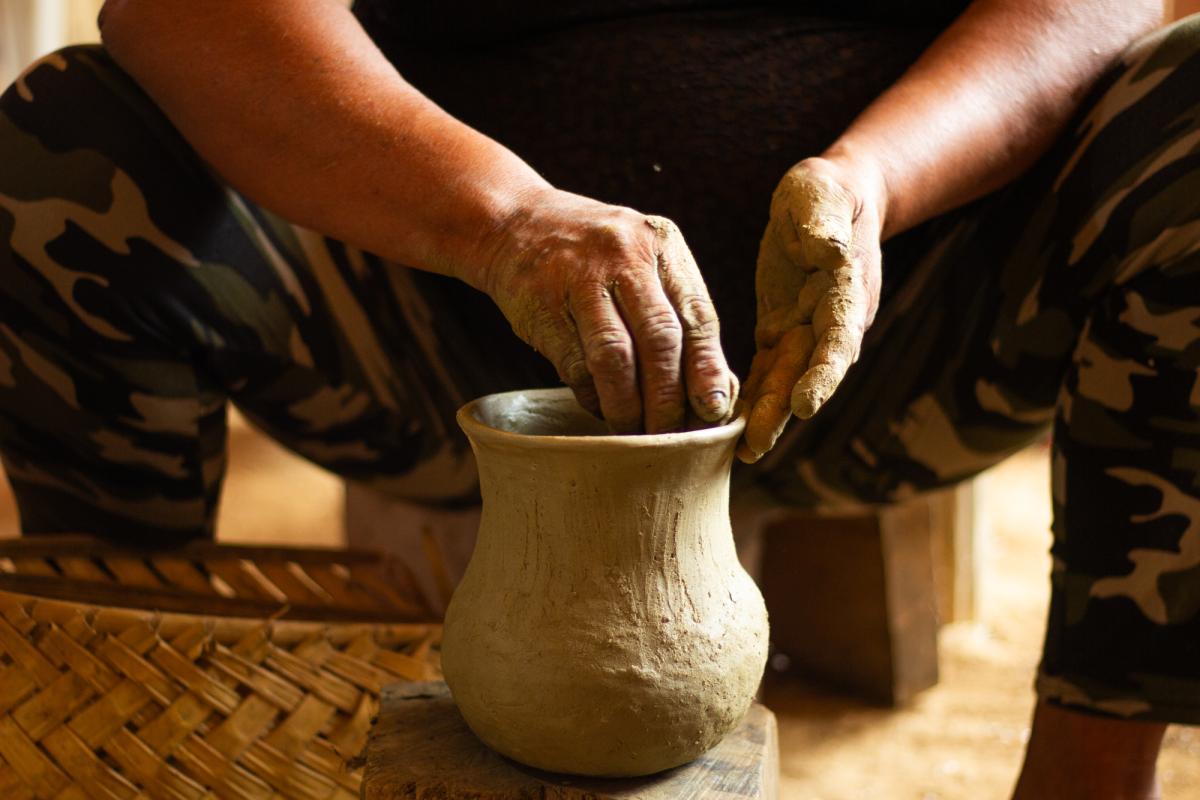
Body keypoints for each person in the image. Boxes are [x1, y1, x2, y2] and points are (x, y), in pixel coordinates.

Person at [0, 0, 1195, 796]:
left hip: (895, 323)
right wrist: (506, 221)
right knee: (62, 145)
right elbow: (177, 11)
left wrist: (871, 186)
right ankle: (118, 723)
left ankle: (1088, 778)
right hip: (438, 327)